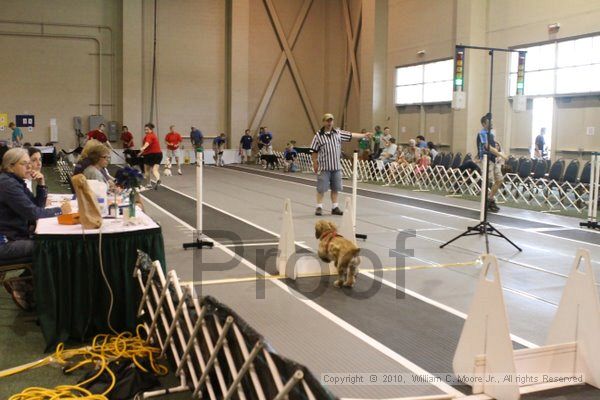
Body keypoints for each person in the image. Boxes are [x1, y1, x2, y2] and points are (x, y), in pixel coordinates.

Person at [0, 149, 65, 309]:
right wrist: (60, 211)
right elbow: (33, 213)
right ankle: (25, 285)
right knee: (48, 246)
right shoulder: (7, 184)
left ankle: (23, 284)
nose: (30, 168)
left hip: (14, 236)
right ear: (10, 166)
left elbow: (37, 206)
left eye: (30, 164)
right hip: (5, 244)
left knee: (48, 243)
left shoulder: (16, 181)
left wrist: (41, 184)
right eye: (25, 164)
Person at [311, 113, 371, 216]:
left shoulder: (338, 133)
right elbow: (314, 151)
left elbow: (351, 135)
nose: (329, 123)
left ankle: (335, 207)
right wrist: (315, 163)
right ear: (324, 122)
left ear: (333, 122)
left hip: (336, 167)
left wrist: (364, 135)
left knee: (336, 188)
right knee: (321, 188)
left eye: (331, 120)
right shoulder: (318, 136)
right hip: (324, 167)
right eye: (327, 121)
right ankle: (319, 207)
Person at [477, 114, 506, 213]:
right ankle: (486, 201)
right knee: (488, 182)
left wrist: (499, 155)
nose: (492, 123)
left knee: (499, 180)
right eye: (490, 122)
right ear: (484, 123)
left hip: (494, 160)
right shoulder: (482, 133)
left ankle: (490, 198)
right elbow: (487, 147)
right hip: (486, 160)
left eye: (492, 121)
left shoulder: (491, 135)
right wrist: (501, 155)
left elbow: (494, 147)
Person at [139, 123, 162, 189]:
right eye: (145, 130)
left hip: (150, 155)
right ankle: (158, 179)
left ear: (151, 130)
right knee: (155, 170)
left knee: (147, 170)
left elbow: (147, 143)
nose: (146, 131)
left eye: (147, 130)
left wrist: (143, 148)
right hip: (159, 154)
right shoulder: (154, 136)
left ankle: (149, 184)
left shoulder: (149, 136)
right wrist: (141, 152)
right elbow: (149, 146)